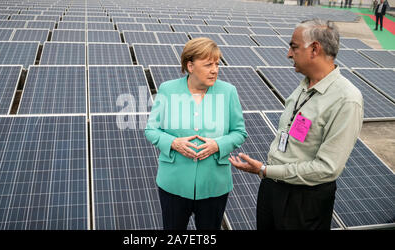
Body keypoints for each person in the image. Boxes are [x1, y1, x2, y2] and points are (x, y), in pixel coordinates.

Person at [229, 19, 363, 230]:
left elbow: (327, 168)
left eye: (293, 47)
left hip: (303, 202)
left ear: (314, 49)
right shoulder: (304, 86)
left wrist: (265, 170)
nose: (288, 54)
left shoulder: (346, 99)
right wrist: (268, 173)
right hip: (272, 188)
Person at [145, 37, 248, 230]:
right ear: (190, 66)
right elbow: (151, 129)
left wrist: (218, 145)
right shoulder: (168, 89)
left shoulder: (228, 92)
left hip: (214, 185)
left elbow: (239, 132)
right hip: (173, 184)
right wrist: (174, 143)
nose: (215, 70)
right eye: (208, 64)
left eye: (217, 64)